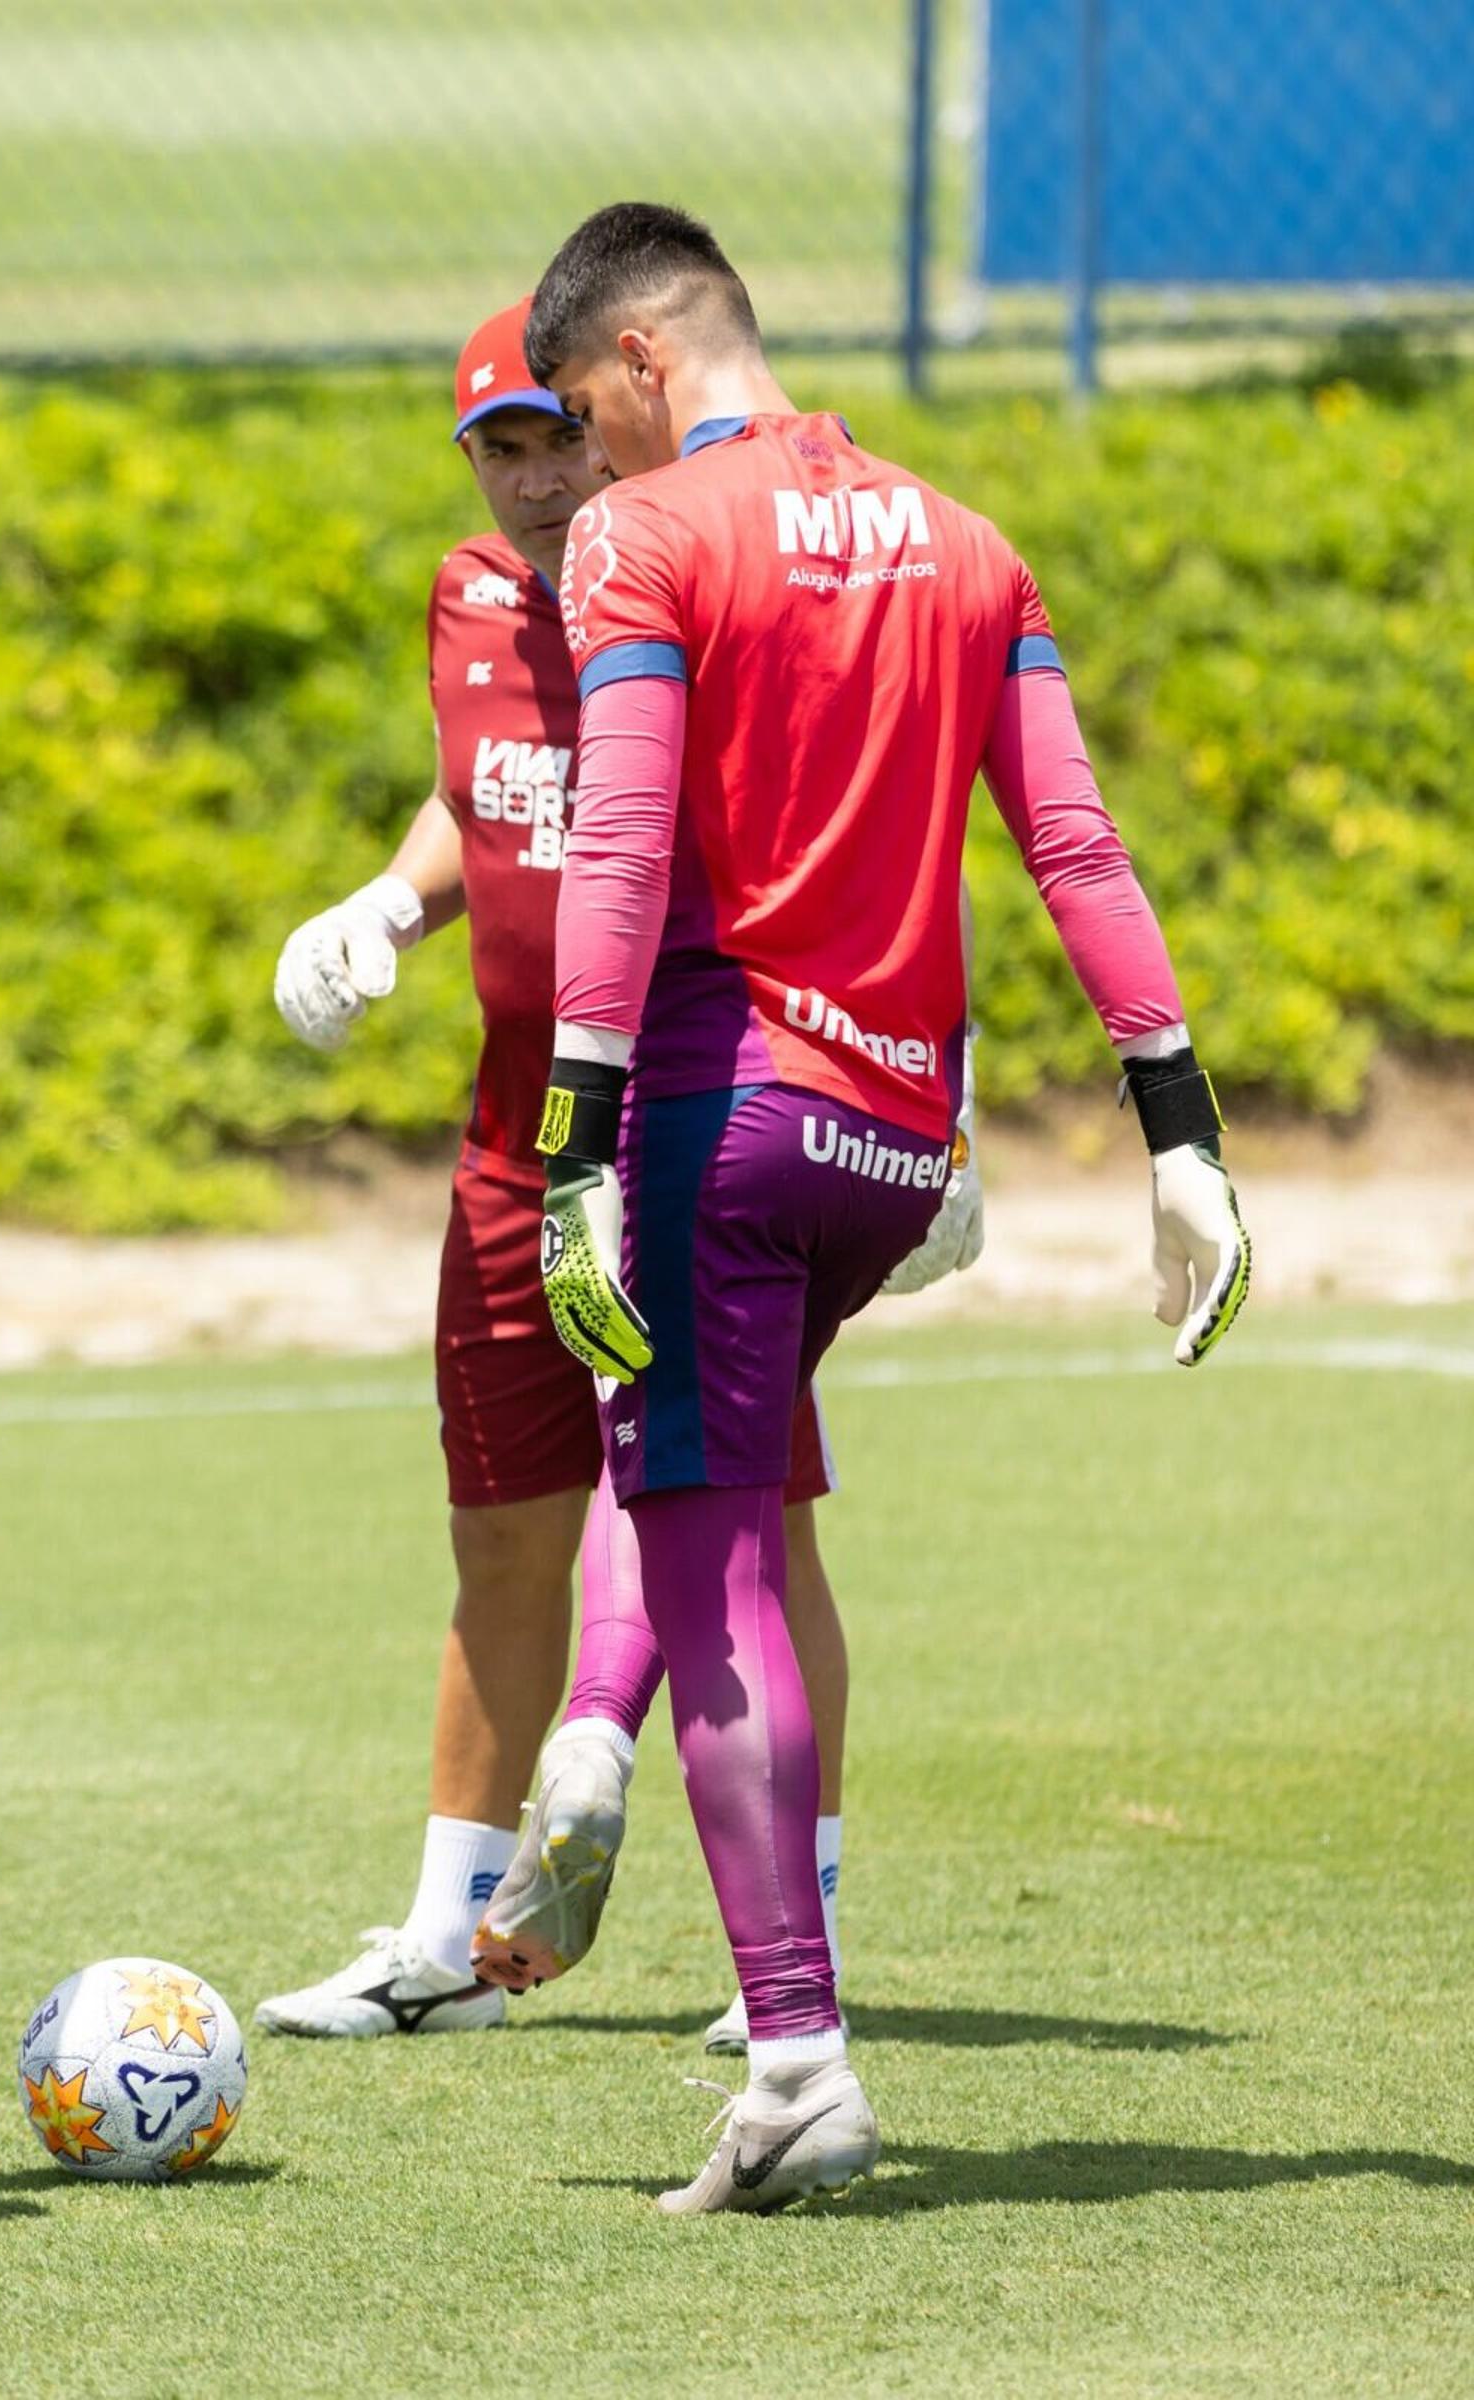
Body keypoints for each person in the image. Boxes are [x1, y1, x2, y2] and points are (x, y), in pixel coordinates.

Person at [490, 202, 1249, 2212]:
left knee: (715, 1553)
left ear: (647, 362)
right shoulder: (972, 541)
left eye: (584, 413)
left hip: (714, 1122)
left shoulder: (646, 541)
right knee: (729, 1500)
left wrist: (573, 1143)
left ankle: (799, 2058)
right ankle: (593, 1745)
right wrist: (1181, 1128)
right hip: (899, 1155)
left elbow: (625, 851)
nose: (584, 465)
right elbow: (1074, 844)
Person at [258, 301, 958, 2049]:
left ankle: (794, 1935)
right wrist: (384, 904)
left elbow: (865, 845)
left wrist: (935, 1094)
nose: (534, 479)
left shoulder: (717, 578)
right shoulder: (473, 594)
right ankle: (447, 1940)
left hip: (703, 1125)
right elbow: (478, 800)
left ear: (614, 416)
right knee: (499, 1525)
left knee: (751, 1536)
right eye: (499, 447)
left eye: (557, 437)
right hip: (513, 1138)